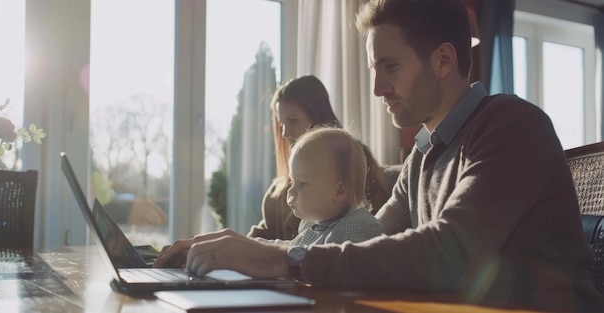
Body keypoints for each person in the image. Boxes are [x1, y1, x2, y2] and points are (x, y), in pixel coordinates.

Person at [155, 0, 604, 311]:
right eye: (374, 69)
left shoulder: (510, 126)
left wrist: (281, 260)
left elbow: (448, 251)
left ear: (444, 60)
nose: (377, 89)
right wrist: (242, 248)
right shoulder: (423, 156)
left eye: (390, 67)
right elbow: (362, 239)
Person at [246, 75, 393, 241]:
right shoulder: (279, 192)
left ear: (317, 116)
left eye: (293, 121)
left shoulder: (352, 165)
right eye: (282, 124)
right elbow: (266, 233)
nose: (285, 133)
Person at [258, 126, 383, 247]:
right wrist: (257, 245)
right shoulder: (314, 222)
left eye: (302, 183)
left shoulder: (357, 229)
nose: (290, 191)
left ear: (339, 191)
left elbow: (310, 259)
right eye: (292, 182)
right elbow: (292, 248)